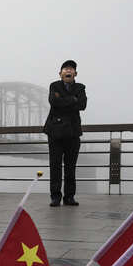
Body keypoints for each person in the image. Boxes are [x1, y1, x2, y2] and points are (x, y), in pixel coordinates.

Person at [44, 60, 87, 207]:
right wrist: (72, 100)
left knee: (70, 167)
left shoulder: (81, 87)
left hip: (73, 133)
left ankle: (69, 197)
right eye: (65, 69)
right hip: (55, 133)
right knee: (55, 166)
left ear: (75, 73)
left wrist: (63, 100)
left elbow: (82, 105)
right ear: (60, 73)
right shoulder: (54, 86)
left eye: (71, 69)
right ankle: (55, 197)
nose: (68, 71)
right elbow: (53, 101)